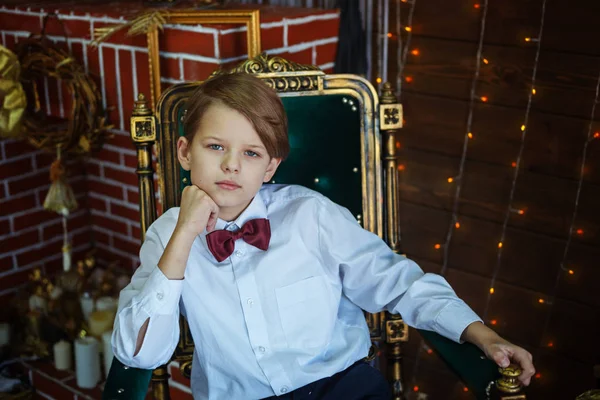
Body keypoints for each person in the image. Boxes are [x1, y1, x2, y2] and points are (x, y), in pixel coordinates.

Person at [112, 73, 535, 400]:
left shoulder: (309, 215)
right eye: (216, 147)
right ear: (186, 152)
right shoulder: (166, 235)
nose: (232, 166)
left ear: (270, 168)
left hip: (342, 388)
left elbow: (398, 281)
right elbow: (139, 354)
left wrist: (481, 333)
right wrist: (184, 236)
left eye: (251, 153)